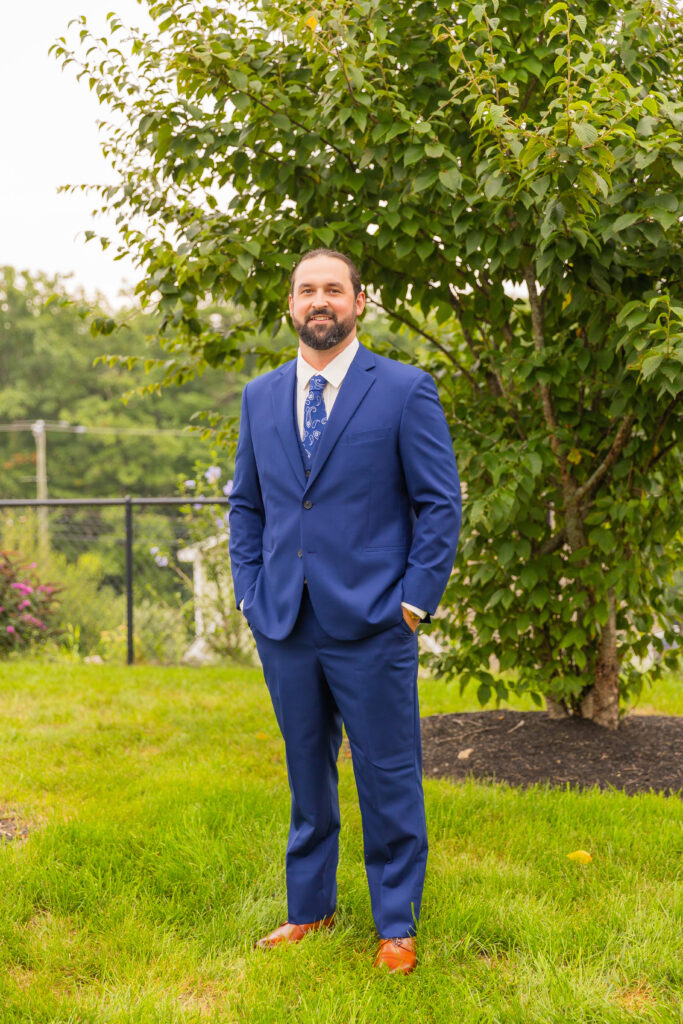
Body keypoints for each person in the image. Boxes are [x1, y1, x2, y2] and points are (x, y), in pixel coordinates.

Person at [229, 249, 460, 974]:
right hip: (285, 623)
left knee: (388, 774)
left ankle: (395, 925)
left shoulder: (402, 389)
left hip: (373, 622)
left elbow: (437, 504)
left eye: (333, 288)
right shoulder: (260, 397)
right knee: (306, 774)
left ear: (361, 302)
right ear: (289, 307)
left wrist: (413, 604)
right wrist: (248, 590)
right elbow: (247, 504)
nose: (319, 300)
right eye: (306, 290)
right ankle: (310, 909)